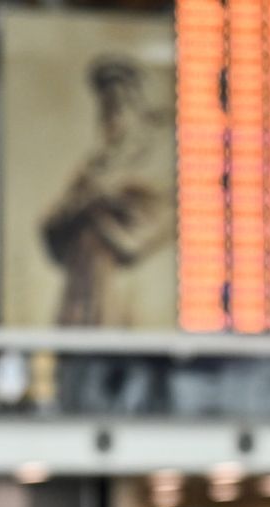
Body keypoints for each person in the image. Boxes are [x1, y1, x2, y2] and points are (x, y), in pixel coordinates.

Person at [42, 55, 174, 327]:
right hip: (82, 299)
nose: (112, 116)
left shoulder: (161, 158)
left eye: (119, 105)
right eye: (106, 108)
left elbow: (141, 236)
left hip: (133, 297)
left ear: (138, 106)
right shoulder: (94, 168)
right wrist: (91, 206)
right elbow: (52, 228)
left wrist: (96, 210)